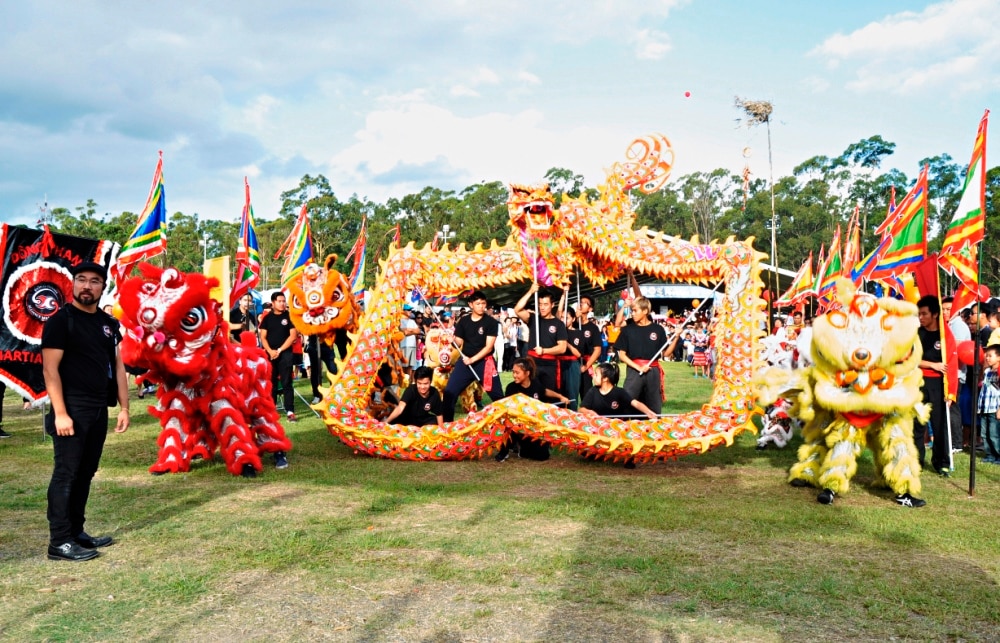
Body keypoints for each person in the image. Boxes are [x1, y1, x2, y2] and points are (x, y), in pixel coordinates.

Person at [41, 261, 129, 562]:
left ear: (103, 287)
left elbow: (117, 366)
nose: (87, 286)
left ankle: (77, 532)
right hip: (71, 407)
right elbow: (50, 370)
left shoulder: (108, 324)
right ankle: (59, 541)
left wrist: (125, 407)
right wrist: (60, 412)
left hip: (97, 407)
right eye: (81, 280)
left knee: (86, 472)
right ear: (73, 284)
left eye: (94, 281)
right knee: (66, 473)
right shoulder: (60, 321)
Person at [441, 291, 505, 422]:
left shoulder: (491, 322)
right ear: (471, 305)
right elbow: (459, 342)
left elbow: (488, 348)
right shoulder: (463, 321)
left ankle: (507, 425)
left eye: (483, 303)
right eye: (478, 304)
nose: (481, 306)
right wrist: (452, 339)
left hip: (484, 363)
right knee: (449, 393)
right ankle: (447, 426)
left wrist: (472, 359)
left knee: (498, 397)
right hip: (465, 362)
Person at [581, 362, 658, 468]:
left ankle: (628, 456)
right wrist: (591, 413)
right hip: (599, 428)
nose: (593, 376)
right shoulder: (593, 391)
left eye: (596, 374)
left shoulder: (619, 392)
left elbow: (635, 403)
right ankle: (595, 450)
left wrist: (648, 412)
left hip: (617, 430)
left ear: (605, 379)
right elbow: (582, 409)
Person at [914, 295, 956, 476]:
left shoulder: (945, 335)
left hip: (939, 385)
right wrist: (932, 365)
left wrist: (951, 392)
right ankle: (916, 461)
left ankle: (941, 462)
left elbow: (952, 364)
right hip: (919, 382)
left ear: (934, 314)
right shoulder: (917, 334)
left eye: (924, 314)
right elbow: (910, 358)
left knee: (940, 425)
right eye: (919, 314)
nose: (921, 318)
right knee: (917, 424)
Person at [496, 357, 568, 461]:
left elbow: (544, 391)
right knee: (509, 424)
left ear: (527, 373)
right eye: (513, 372)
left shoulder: (535, 384)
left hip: (532, 427)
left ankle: (523, 449)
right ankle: (504, 450)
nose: (514, 375)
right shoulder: (511, 388)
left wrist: (560, 397)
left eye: (517, 373)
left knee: (542, 456)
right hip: (515, 425)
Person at [614, 297, 677, 415]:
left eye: (635, 310)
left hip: (653, 371)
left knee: (654, 404)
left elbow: (666, 354)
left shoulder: (658, 329)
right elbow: (622, 356)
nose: (632, 313)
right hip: (634, 371)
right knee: (628, 401)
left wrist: (676, 337)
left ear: (645, 311)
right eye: (632, 310)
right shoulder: (628, 329)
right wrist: (638, 368)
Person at [513, 284, 568, 402]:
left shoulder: (558, 324)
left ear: (552, 305)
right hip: (532, 363)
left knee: (547, 395)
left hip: (549, 365)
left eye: (546, 304)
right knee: (531, 394)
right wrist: (531, 291)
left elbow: (562, 348)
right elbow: (517, 309)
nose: (542, 308)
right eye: (540, 304)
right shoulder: (533, 319)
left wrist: (544, 350)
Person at [259, 290, 298, 432]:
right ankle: (271, 411)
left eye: (283, 301)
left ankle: (290, 411)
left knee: (287, 382)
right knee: (271, 383)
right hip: (270, 354)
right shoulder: (267, 318)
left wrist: (279, 350)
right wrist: (270, 351)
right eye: (280, 301)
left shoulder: (289, 316)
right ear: (273, 302)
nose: (282, 303)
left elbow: (293, 336)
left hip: (285, 354)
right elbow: (263, 337)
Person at [576, 295, 603, 401]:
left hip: (584, 364)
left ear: (590, 308)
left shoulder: (593, 328)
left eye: (585, 303)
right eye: (580, 302)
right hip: (569, 365)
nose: (581, 304)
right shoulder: (571, 323)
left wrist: (586, 366)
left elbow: (597, 350)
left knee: (586, 398)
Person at [977, 344, 1000, 464]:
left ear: (999, 357)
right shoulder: (987, 372)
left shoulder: (999, 373)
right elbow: (983, 390)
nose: (987, 358)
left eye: (990, 356)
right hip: (985, 408)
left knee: (994, 434)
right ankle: (989, 455)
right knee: (984, 434)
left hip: (994, 409)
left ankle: (998, 455)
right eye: (986, 356)